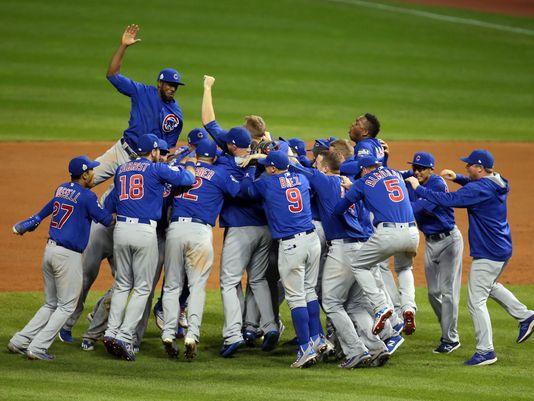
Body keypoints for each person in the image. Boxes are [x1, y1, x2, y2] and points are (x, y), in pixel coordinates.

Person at [406, 149, 534, 366]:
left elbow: (449, 199)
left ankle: (486, 351)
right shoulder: (497, 181)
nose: (466, 167)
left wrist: (419, 189)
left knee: (476, 301)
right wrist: (459, 178)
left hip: (489, 251)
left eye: (469, 165)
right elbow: (475, 187)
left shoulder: (480, 189)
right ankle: (526, 316)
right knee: (488, 286)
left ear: (480, 168)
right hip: (501, 248)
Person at [202, 75, 279, 357]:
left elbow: (209, 122)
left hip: (240, 231)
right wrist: (264, 149)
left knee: (230, 281)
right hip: (265, 230)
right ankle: (270, 326)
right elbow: (278, 153)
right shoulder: (269, 160)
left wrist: (207, 88)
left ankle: (233, 334)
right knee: (258, 280)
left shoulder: (225, 161)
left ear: (232, 144)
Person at [8, 156, 113, 360]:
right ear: (84, 175)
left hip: (50, 252)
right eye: (91, 171)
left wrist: (30, 222)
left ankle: (19, 341)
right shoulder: (87, 197)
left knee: (50, 304)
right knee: (66, 306)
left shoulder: (62, 189)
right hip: (67, 257)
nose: (94, 174)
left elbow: (43, 213)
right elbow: (107, 220)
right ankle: (37, 347)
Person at [103, 134, 195, 361]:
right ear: (153, 151)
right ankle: (124, 337)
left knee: (122, 284)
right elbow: (186, 179)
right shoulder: (155, 169)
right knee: (143, 288)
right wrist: (188, 165)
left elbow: (110, 202)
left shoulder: (122, 169)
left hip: (121, 230)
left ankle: (110, 332)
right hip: (144, 232)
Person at [161, 139, 244, 360]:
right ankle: (192, 335)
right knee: (197, 286)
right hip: (199, 232)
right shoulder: (219, 174)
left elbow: (165, 197)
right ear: (214, 158)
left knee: (171, 286)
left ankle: (168, 333)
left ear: (197, 155)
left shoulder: (181, 170)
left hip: (176, 229)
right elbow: (240, 192)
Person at [244, 150, 325, 368]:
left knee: (295, 297)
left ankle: (305, 348)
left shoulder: (267, 182)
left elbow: (245, 191)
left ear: (271, 168)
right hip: (312, 240)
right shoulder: (302, 177)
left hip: (292, 245)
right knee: (309, 291)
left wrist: (252, 166)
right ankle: (317, 338)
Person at [334, 156, 420, 335]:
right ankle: (408, 308)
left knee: (359, 265)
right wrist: (356, 188)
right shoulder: (395, 174)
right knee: (404, 269)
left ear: (364, 169)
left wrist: (351, 189)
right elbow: (380, 191)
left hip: (388, 234)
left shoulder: (363, 181)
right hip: (412, 232)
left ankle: (381, 306)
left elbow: (339, 208)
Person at [94, 24, 185, 185]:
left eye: (175, 86)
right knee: (88, 176)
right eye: (169, 84)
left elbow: (166, 148)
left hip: (141, 164)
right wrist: (123, 46)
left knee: (114, 201)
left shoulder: (175, 115)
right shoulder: (141, 91)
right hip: (121, 150)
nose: (172, 88)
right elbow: (113, 75)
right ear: (159, 83)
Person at [404, 152, 463, 353]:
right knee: (432, 294)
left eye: (422, 168)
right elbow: (391, 175)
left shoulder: (437, 185)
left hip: (448, 241)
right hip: (430, 242)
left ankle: (451, 338)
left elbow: (418, 208)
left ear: (431, 169)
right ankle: (447, 328)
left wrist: (413, 189)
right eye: (415, 168)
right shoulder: (411, 179)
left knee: (448, 293)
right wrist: (384, 159)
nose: (417, 171)